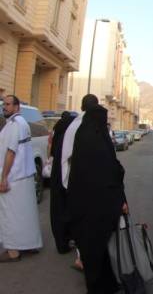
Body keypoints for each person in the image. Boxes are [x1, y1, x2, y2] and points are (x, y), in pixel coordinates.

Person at [67, 103, 127, 293]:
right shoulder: (98, 139)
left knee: (94, 249)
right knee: (97, 249)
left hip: (82, 204)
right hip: (99, 205)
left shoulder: (83, 135)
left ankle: (105, 284)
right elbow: (111, 171)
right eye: (104, 119)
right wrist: (120, 199)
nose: (105, 123)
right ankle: (99, 287)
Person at [0, 95, 43, 262]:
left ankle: (13, 252)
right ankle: (30, 244)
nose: (5, 107)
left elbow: (11, 152)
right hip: (23, 175)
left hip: (14, 177)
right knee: (26, 213)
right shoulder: (21, 123)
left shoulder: (15, 125)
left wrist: (4, 178)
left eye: (9, 104)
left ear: (17, 107)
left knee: (9, 214)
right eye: (4, 104)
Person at [62, 94, 99, 270]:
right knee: (86, 221)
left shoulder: (76, 125)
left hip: (82, 182)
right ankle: (82, 258)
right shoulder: (83, 126)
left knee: (86, 220)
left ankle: (85, 256)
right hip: (84, 182)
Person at [49, 111, 76, 254]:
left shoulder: (57, 131)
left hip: (56, 175)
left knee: (57, 209)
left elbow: (52, 152)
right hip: (65, 177)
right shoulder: (69, 135)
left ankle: (61, 241)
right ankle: (67, 239)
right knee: (67, 208)